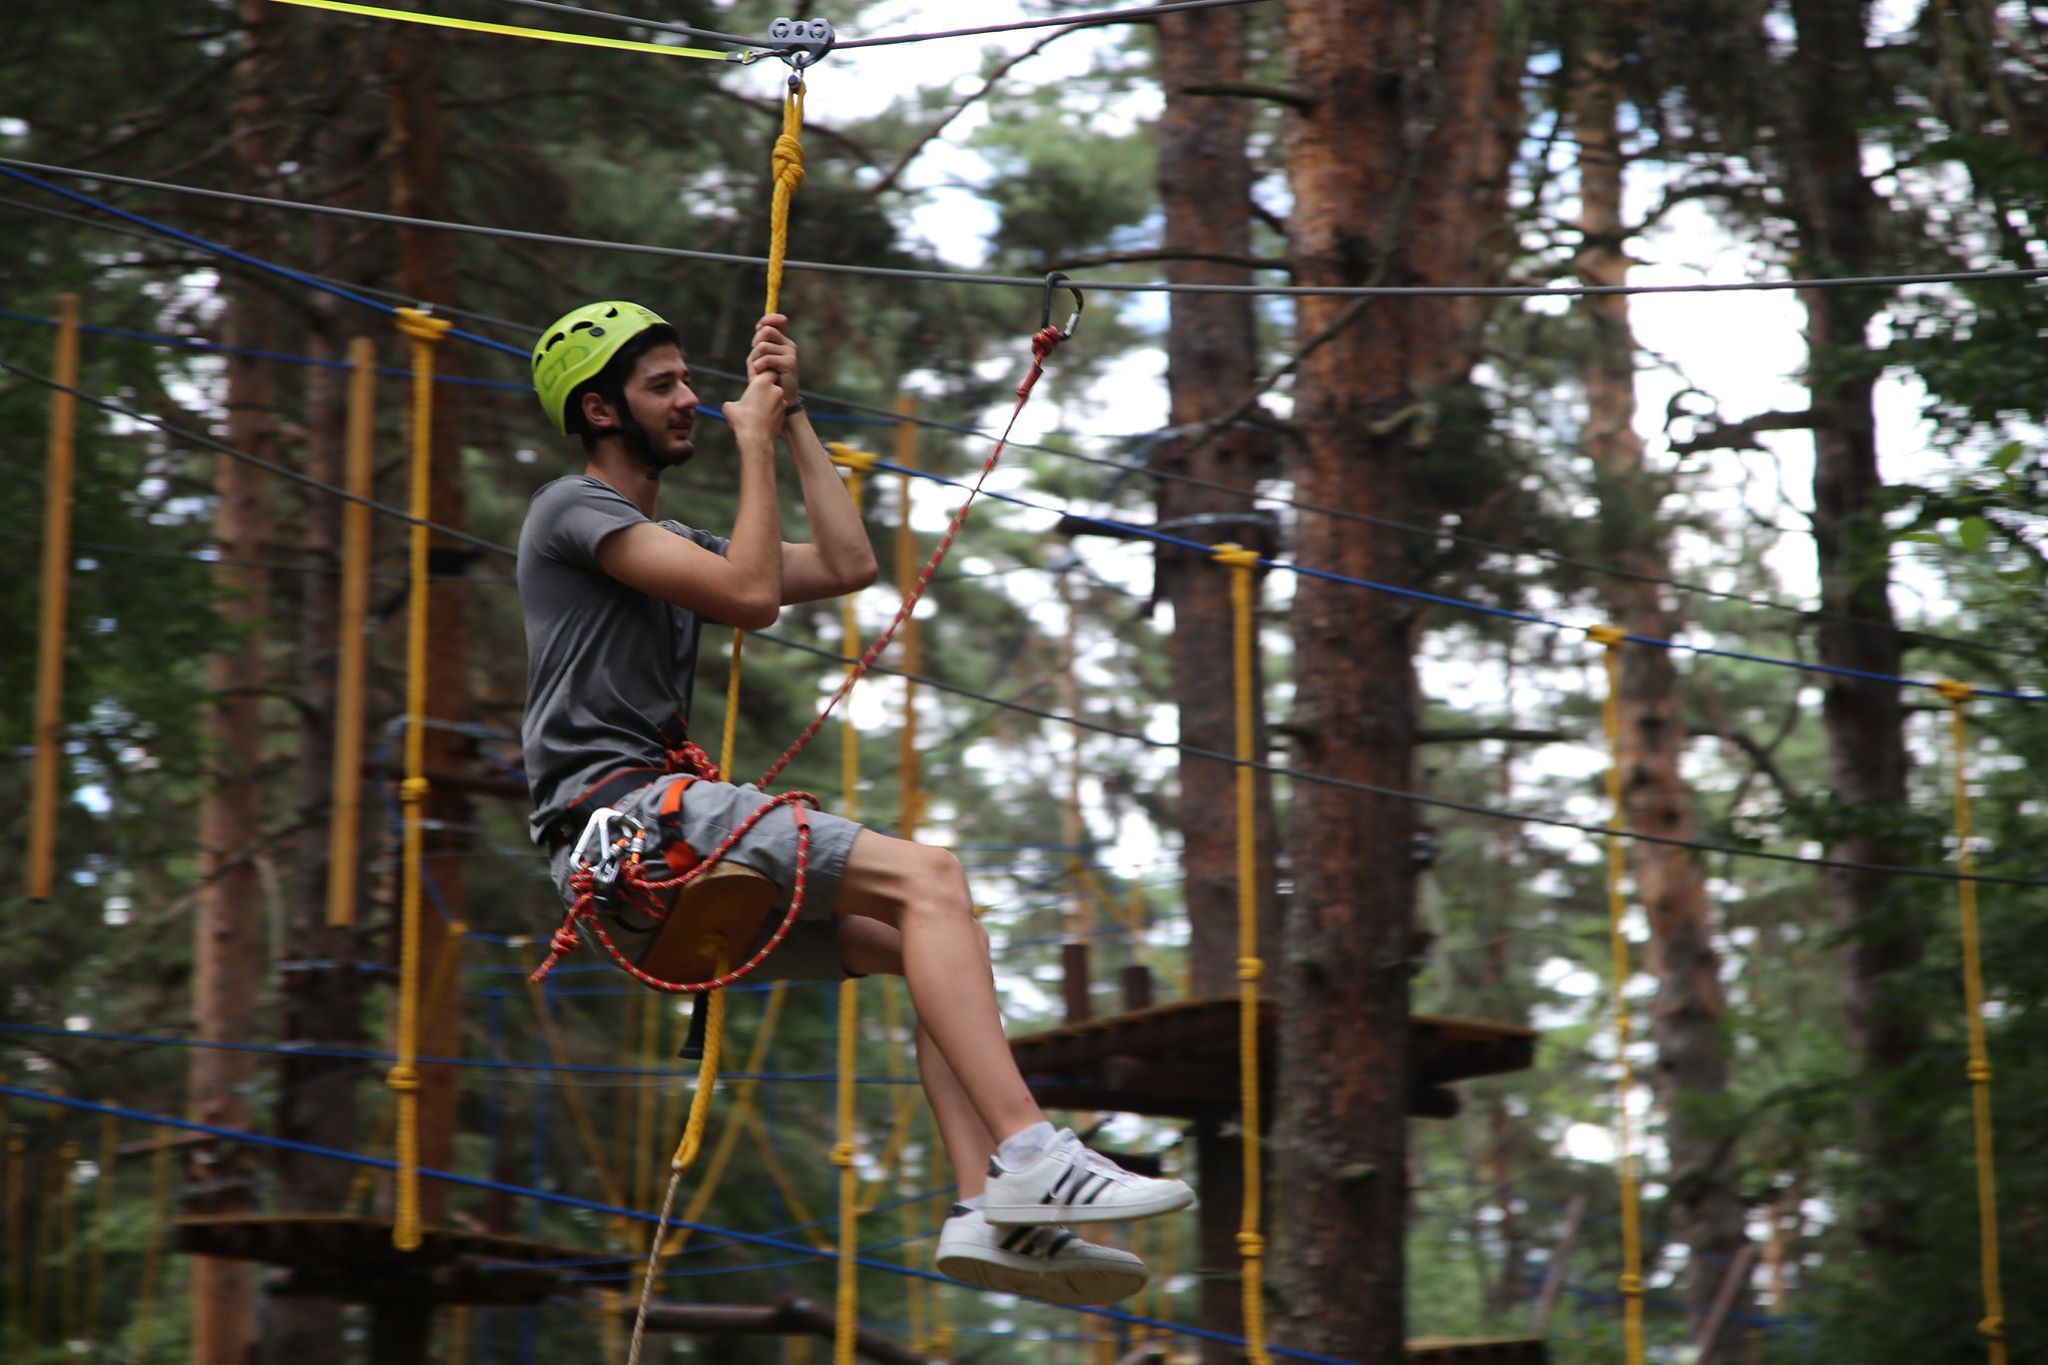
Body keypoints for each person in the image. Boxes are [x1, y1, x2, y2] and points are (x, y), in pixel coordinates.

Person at [519, 301, 1193, 1307]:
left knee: (924, 935)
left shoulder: (669, 539)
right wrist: (752, 444)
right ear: (599, 410)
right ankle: (1032, 1151)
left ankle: (988, 1206)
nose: (692, 399)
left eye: (687, 379)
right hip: (626, 821)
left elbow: (846, 566)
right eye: (662, 385)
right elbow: (751, 594)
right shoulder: (570, 510)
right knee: (932, 877)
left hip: (643, 858)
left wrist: (790, 419)